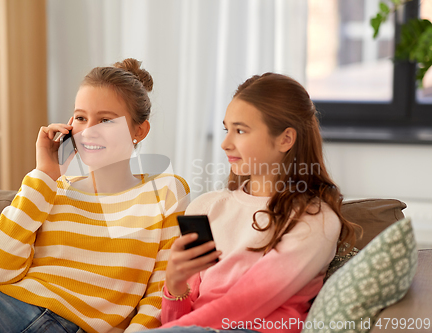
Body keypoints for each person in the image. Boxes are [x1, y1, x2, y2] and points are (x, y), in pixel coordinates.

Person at [0, 58, 190, 333]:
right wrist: (44, 173)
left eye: (105, 120)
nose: (89, 130)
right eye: (81, 118)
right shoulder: (50, 187)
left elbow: (159, 294)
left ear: (139, 131)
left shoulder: (164, 192)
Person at [149, 73, 359, 333]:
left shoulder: (314, 219)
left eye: (240, 130)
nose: (225, 143)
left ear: (285, 139)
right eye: (227, 129)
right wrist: (175, 285)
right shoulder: (204, 207)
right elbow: (172, 323)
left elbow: (243, 305)